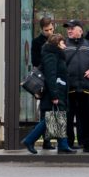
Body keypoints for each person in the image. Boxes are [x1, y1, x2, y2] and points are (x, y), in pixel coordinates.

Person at [21, 33, 77, 154]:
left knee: (58, 117)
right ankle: (29, 140)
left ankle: (63, 145)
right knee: (51, 119)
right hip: (54, 92)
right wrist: (54, 95)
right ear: (57, 43)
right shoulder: (51, 55)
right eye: (62, 42)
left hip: (58, 90)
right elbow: (51, 76)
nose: (65, 45)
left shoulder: (56, 55)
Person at [63, 20, 89, 153]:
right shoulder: (63, 45)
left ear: (80, 30)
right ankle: (67, 144)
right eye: (67, 28)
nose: (69, 30)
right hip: (68, 89)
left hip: (86, 88)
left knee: (87, 118)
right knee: (68, 118)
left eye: (71, 28)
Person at [31, 17, 56, 150]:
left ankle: (50, 138)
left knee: (54, 110)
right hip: (44, 78)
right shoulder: (37, 42)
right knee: (45, 110)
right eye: (46, 30)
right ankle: (45, 140)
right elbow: (35, 61)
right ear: (42, 29)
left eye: (51, 29)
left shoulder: (57, 39)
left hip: (54, 77)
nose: (49, 32)